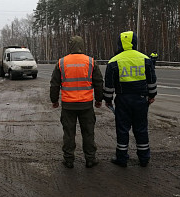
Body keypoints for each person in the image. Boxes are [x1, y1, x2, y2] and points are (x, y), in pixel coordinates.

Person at [103, 31, 157, 167]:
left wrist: (107, 99)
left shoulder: (113, 61)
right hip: (141, 100)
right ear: (135, 42)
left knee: (122, 129)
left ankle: (122, 158)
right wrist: (152, 96)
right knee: (141, 129)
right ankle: (144, 158)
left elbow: (109, 85)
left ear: (120, 43)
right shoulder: (145, 59)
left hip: (123, 100)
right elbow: (152, 80)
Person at [50, 36, 104, 168]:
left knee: (69, 133)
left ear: (70, 46)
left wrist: (54, 100)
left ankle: (68, 160)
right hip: (86, 104)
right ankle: (90, 159)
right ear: (82, 46)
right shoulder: (91, 62)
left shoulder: (62, 62)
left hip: (68, 106)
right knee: (88, 132)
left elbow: (54, 84)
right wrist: (98, 99)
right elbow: (98, 83)